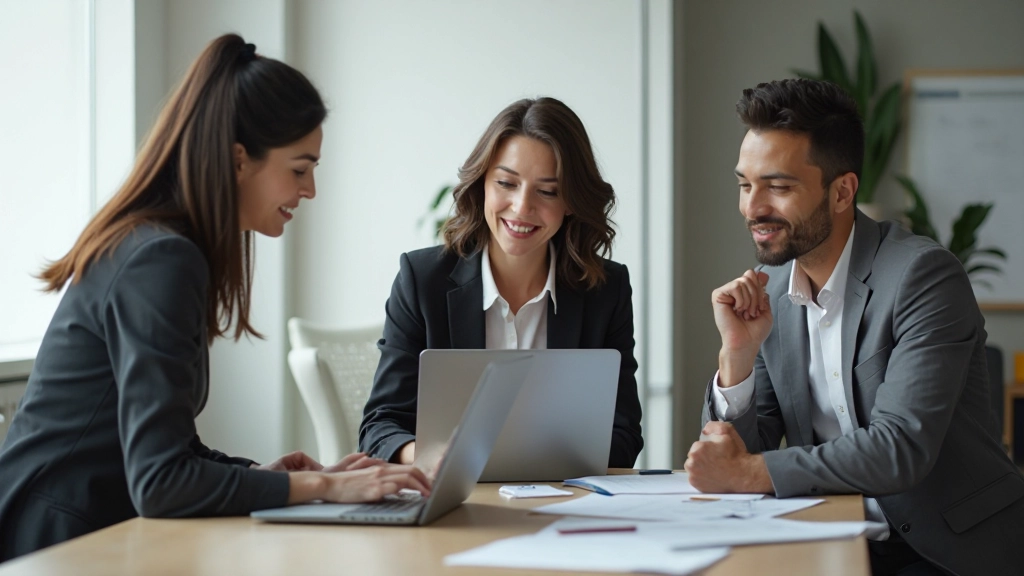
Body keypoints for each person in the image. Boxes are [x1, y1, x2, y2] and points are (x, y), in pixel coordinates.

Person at [0, 34, 429, 562]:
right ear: (239, 159)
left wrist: (260, 476)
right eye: (299, 169)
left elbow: (169, 451)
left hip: (89, 531)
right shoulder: (160, 260)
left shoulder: (160, 247)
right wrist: (324, 488)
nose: (311, 190)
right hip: (56, 546)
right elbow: (161, 482)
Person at [683, 78, 1024, 576]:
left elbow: (899, 447)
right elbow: (737, 458)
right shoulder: (772, 291)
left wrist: (746, 472)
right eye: (744, 184)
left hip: (947, 548)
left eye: (777, 186)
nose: (752, 207)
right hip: (834, 533)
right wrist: (736, 358)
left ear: (842, 191)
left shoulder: (923, 276)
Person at [359, 97, 643, 468]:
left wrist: (533, 462)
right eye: (507, 183)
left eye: (548, 191)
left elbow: (623, 435)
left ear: (572, 200)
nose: (522, 207)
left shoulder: (606, 289)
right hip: (455, 507)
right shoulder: (422, 280)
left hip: (563, 504)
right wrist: (432, 457)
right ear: (482, 185)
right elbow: (380, 426)